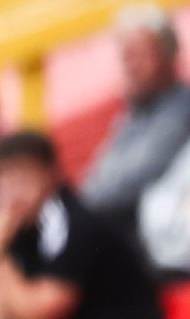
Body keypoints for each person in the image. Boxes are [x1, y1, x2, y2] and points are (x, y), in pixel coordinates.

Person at [0, 131, 162, 319]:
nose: (14, 192)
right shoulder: (20, 228)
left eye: (22, 177)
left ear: (51, 174)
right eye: (5, 181)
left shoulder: (75, 224)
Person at [81, 5, 190, 243]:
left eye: (139, 54)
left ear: (169, 54)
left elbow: (136, 179)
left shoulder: (180, 109)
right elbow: (99, 174)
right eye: (126, 56)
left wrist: (79, 208)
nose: (131, 66)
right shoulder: (132, 115)